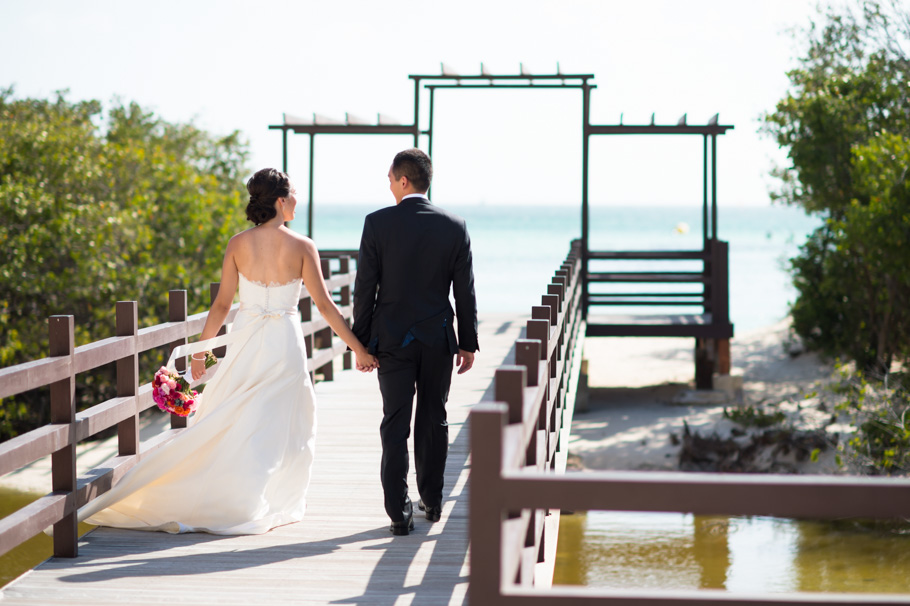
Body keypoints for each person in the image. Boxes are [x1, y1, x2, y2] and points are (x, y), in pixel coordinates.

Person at [76, 168, 378, 534]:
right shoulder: (303, 246)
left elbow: (221, 305)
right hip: (283, 342)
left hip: (246, 338)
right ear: (281, 201)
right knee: (280, 420)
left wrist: (201, 353)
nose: (298, 199)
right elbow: (326, 307)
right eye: (294, 193)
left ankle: (230, 494)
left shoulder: (238, 243)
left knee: (235, 414)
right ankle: (251, 499)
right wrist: (358, 350)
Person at [353, 148, 478, 536]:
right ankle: (433, 499)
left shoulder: (377, 223)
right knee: (434, 417)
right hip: (439, 339)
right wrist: (468, 342)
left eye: (390, 179)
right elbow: (466, 292)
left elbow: (365, 291)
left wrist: (362, 345)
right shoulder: (455, 226)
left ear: (403, 180)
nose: (389, 185)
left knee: (395, 421)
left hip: (391, 340)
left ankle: (397, 510)